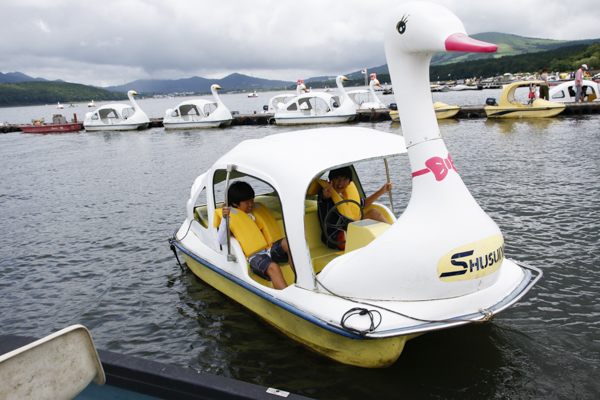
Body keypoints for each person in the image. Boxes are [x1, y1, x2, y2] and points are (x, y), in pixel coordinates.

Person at [215, 181, 292, 290]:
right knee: (273, 267)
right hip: (255, 257)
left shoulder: (255, 211)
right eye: (247, 202)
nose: (251, 204)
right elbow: (221, 240)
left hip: (270, 249)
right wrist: (224, 218)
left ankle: (302, 283)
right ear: (235, 203)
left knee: (290, 243)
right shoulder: (231, 218)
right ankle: (288, 299)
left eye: (252, 200)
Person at [317, 166, 392, 250]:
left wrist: (382, 191)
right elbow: (324, 197)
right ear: (331, 180)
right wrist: (326, 195)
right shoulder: (326, 194)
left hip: (349, 228)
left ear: (349, 182)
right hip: (334, 238)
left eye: (345, 179)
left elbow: (364, 204)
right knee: (348, 235)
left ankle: (393, 236)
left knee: (374, 212)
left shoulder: (345, 195)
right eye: (337, 178)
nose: (341, 183)